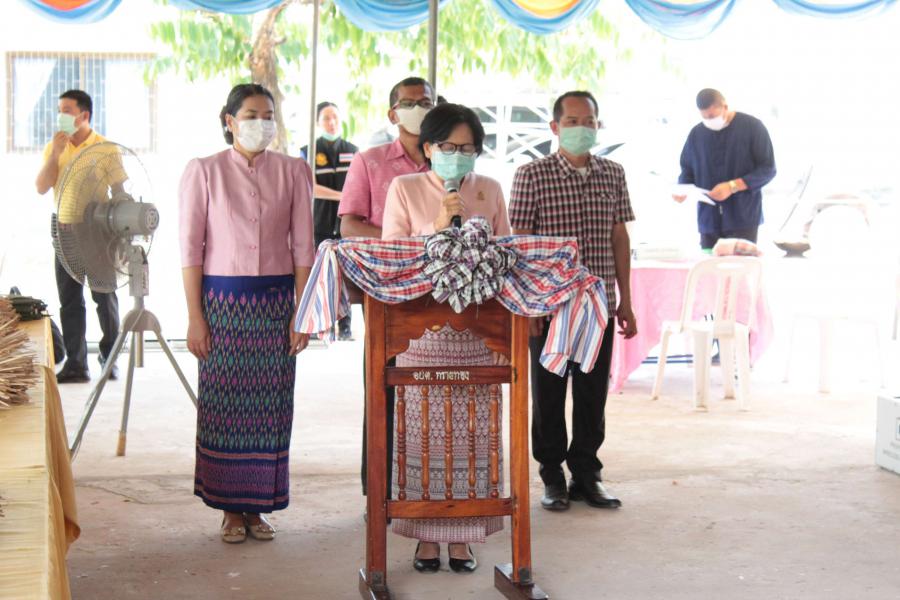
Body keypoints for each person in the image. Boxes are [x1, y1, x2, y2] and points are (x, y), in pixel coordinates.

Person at [178, 83, 314, 544]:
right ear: (230, 121)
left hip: (276, 304)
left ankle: (258, 509)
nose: (262, 123)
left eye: (268, 115)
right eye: (252, 115)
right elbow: (191, 249)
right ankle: (229, 510)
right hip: (222, 305)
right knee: (224, 405)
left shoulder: (293, 171)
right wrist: (195, 317)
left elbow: (304, 247)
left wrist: (301, 312)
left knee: (270, 407)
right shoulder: (204, 171)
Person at [382, 102, 510, 573]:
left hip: (478, 335)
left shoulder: (490, 188)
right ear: (429, 148)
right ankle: (425, 539)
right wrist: (436, 228)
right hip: (422, 336)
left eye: (468, 148)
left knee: (474, 439)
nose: (458, 155)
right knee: (421, 441)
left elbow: (507, 255)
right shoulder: (405, 188)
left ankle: (464, 538)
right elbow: (391, 257)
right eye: (449, 147)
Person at [509, 90, 637, 513]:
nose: (582, 129)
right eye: (572, 121)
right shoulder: (532, 175)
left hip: (598, 304)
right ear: (555, 127)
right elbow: (520, 243)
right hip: (550, 306)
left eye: (589, 121)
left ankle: (587, 473)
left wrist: (626, 300)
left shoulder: (612, 173)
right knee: (547, 393)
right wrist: (529, 306)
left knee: (592, 392)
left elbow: (619, 236)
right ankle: (552, 474)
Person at [339, 76, 435, 497]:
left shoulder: (448, 159)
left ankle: (430, 489)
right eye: (408, 103)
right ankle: (378, 490)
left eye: (425, 102)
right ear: (392, 114)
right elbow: (349, 225)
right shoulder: (370, 161)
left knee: (436, 389)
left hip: (441, 292)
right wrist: (404, 244)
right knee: (382, 386)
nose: (418, 109)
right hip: (386, 291)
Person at [35, 89, 122, 384]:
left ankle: (110, 358)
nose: (60, 115)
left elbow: (120, 191)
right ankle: (76, 363)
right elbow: (41, 187)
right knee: (70, 300)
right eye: (59, 110)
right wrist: (55, 154)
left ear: (84, 115)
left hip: (97, 232)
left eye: (67, 110)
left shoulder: (106, 148)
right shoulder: (54, 147)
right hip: (64, 231)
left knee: (104, 296)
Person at [674, 88, 777, 250]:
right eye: (704, 117)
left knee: (740, 264)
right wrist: (682, 189)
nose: (709, 121)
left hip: (743, 217)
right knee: (709, 264)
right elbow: (687, 169)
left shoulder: (752, 127)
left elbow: (768, 169)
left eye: (712, 116)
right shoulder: (697, 134)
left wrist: (732, 186)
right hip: (709, 219)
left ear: (725, 106)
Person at [300, 101, 359, 340]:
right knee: (320, 273)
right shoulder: (308, 151)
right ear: (317, 122)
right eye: (326, 118)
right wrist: (343, 196)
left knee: (347, 273)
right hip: (320, 221)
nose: (331, 122)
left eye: (335, 117)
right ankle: (319, 324)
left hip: (347, 222)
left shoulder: (353, 150)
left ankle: (345, 326)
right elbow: (310, 187)